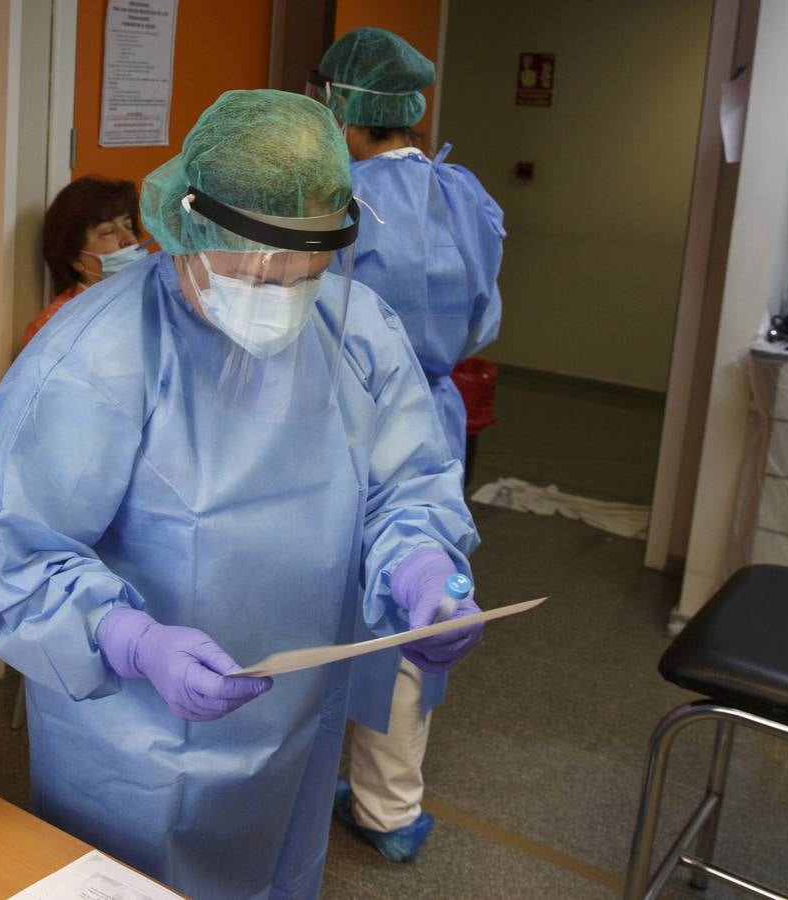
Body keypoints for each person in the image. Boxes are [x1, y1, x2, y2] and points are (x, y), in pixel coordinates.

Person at [0, 89, 485, 900]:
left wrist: (417, 565)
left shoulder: (357, 330)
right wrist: (132, 641)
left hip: (294, 724)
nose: (276, 299)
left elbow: (405, 483)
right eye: (249, 275)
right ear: (186, 233)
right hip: (133, 738)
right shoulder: (95, 359)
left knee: (281, 873)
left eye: (301, 277)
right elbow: (17, 555)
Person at [310, 27, 505, 862]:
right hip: (431, 411)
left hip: (333, 415)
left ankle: (308, 780)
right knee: (411, 598)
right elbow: (484, 311)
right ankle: (391, 808)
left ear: (344, 104)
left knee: (324, 594)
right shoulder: (464, 193)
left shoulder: (330, 198)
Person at [22, 175, 149, 345]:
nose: (129, 239)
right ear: (75, 258)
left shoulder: (154, 304)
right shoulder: (54, 324)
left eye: (129, 226)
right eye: (108, 232)